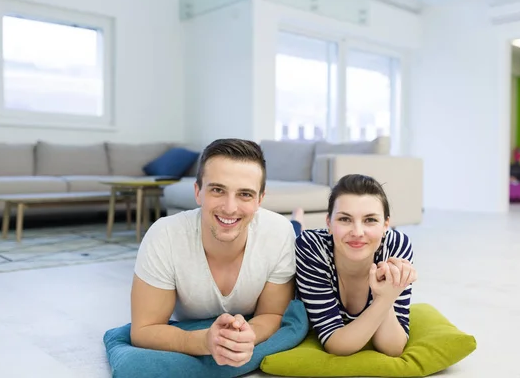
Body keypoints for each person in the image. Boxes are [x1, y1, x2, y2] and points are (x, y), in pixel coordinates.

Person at [129, 138, 298, 368]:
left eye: (245, 194)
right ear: (198, 192)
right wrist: (203, 342)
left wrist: (249, 336)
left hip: (280, 230)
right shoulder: (164, 236)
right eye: (218, 190)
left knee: (297, 233)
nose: (229, 207)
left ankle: (298, 221)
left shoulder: (279, 233)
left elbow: (273, 314)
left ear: (260, 199)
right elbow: (143, 330)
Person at [295, 174, 417, 357]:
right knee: (293, 231)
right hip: (307, 238)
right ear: (329, 222)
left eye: (370, 220)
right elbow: (336, 344)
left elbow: (392, 348)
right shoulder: (311, 246)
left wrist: (385, 297)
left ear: (386, 225)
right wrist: (384, 300)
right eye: (345, 219)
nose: (358, 232)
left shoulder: (396, 245)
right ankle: (298, 221)